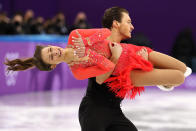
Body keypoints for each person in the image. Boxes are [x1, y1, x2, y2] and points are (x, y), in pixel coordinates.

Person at [4, 7, 191, 131]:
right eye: (52, 57)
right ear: (54, 65)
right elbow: (105, 72)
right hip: (104, 98)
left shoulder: (75, 35)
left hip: (128, 63)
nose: (56, 52)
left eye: (51, 49)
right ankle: (162, 80)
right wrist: (93, 55)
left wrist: (85, 43)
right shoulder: (77, 71)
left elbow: (106, 33)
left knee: (182, 69)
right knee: (177, 77)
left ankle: (162, 81)